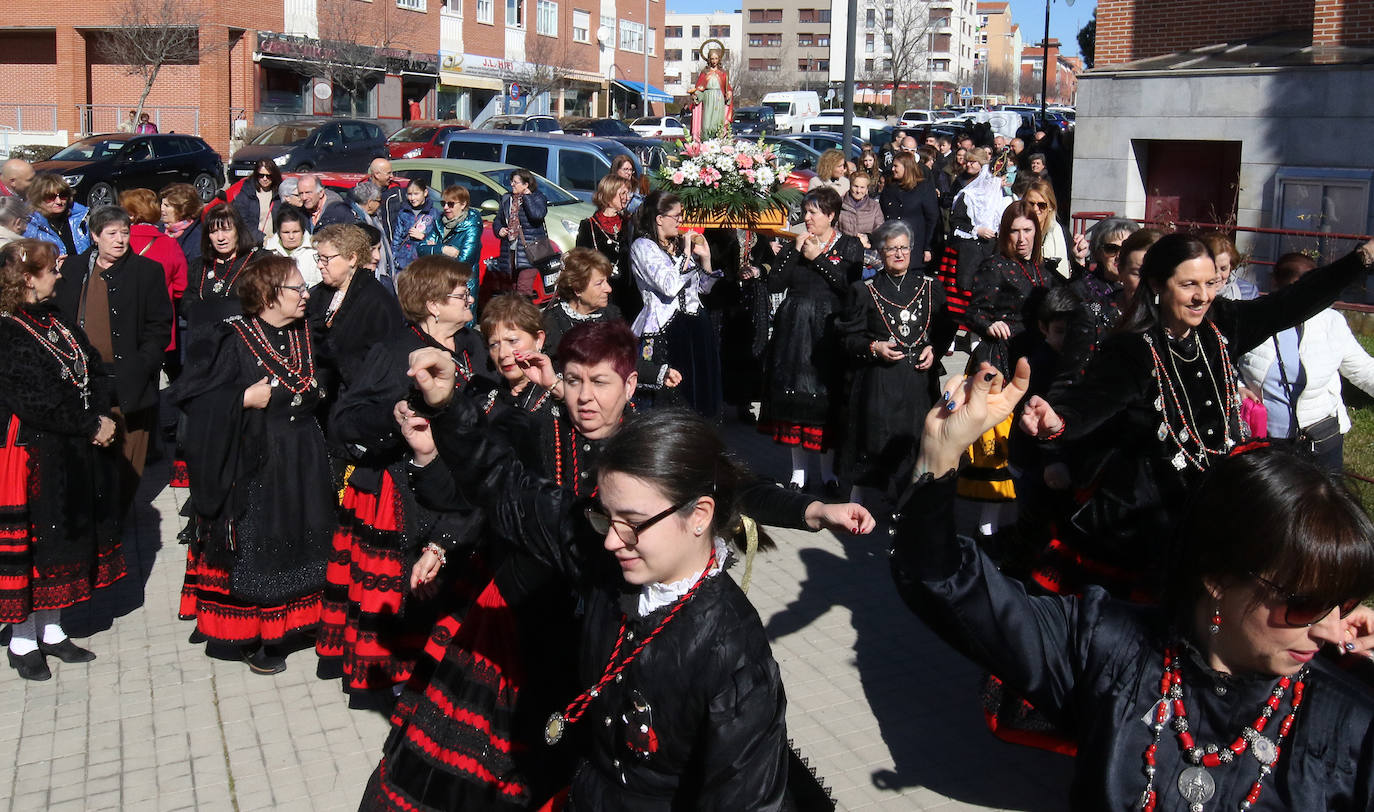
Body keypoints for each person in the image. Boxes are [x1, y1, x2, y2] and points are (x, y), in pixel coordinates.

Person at [381, 330, 874, 810]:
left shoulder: (732, 650)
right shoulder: (595, 545)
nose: (612, 539)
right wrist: (449, 406)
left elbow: (741, 794)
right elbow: (503, 484)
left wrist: (811, 511)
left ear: (699, 515)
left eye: (633, 523)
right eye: (605, 516)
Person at [893, 359, 1374, 812]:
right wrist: (939, 457)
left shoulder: (1348, 717)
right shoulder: (1107, 645)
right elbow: (947, 585)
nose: (1332, 630)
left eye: (1344, 601)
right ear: (1218, 578)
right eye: (1305, 603)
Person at [1021, 234, 1374, 595]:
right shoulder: (1132, 350)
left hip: (1218, 496)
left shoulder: (1222, 324)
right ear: (1157, 284)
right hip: (1151, 511)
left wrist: (1360, 259)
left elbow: (1293, 301)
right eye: (1188, 284)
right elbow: (1093, 403)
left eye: (1209, 283)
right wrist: (1057, 421)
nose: (1202, 296)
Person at [317, 255, 490, 695]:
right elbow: (345, 421)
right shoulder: (395, 350)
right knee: (408, 584)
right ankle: (395, 676)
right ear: (432, 305)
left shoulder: (472, 343)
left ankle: (438, 674)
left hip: (466, 483)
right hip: (401, 487)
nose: (469, 297)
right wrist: (395, 419)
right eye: (459, 293)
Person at [171, 255, 333, 675]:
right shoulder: (231, 339)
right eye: (297, 289)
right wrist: (241, 400)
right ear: (267, 294)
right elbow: (189, 398)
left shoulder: (306, 332)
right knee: (264, 545)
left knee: (308, 537)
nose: (306, 295)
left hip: (305, 454)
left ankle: (302, 624)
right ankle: (259, 636)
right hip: (258, 461)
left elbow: (328, 375)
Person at [0, 240, 123, 680]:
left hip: (70, 447)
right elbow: (34, 398)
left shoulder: (53, 318)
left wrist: (104, 412)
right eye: (51, 269)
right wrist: (90, 424)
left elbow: (89, 362)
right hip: (32, 454)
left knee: (60, 542)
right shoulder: (7, 331)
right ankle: (22, 639)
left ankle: (51, 630)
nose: (59, 275)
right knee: (35, 542)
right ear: (26, 279)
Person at [52, 206, 173, 510]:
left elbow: (159, 325)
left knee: (128, 456)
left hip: (129, 379)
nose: (120, 240)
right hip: (83, 380)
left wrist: (145, 362)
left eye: (124, 233)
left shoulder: (147, 271)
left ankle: (118, 518)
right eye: (112, 234)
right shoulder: (73, 269)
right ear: (94, 236)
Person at [836, 220, 954, 503]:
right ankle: (859, 504)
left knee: (916, 442)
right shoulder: (864, 290)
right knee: (875, 442)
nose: (899, 254)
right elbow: (847, 338)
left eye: (904, 248)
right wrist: (874, 346)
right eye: (892, 249)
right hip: (880, 381)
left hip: (917, 379)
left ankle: (910, 502)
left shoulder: (930, 287)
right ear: (880, 252)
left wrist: (934, 349)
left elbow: (945, 327)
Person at [760, 188, 863, 495]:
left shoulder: (850, 245)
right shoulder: (797, 244)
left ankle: (828, 474)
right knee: (795, 399)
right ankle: (798, 474)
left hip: (829, 330)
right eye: (805, 212)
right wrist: (793, 252)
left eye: (813, 212)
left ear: (831, 215)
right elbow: (774, 283)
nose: (806, 218)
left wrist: (818, 259)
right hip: (795, 330)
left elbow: (849, 288)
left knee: (825, 401)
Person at [1238, 251, 1374, 472]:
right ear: (1275, 283)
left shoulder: (1332, 323)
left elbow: (1363, 370)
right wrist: (1239, 388)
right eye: (1292, 290)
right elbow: (1224, 365)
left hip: (1321, 442)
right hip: (1265, 442)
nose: (1299, 300)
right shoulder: (1251, 319)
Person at [630, 190, 722, 416]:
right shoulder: (643, 247)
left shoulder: (678, 246)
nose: (681, 221)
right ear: (659, 219)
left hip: (695, 327)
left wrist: (706, 257)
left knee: (699, 399)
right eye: (677, 216)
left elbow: (704, 288)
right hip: (665, 331)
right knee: (669, 401)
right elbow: (668, 286)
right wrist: (687, 254)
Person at [307, 223, 404, 397]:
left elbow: (384, 359)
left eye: (326, 259)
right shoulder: (318, 294)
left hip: (357, 396)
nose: (320, 266)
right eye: (318, 258)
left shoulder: (377, 301)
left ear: (351, 258)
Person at [1052, 217, 1141, 386]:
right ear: (1099, 252)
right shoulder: (1080, 289)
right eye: (1111, 249)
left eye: (1127, 249)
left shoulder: (1142, 291)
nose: (1119, 256)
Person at [120, 189, 188, 366]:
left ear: (131, 215)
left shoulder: (119, 243)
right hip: (159, 322)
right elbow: (182, 286)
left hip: (124, 318)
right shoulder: (169, 243)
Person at [182, 205, 265, 340]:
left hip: (244, 340)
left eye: (226, 230)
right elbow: (187, 305)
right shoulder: (199, 266)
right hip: (206, 342)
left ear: (238, 230)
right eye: (214, 232)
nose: (220, 237)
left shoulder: (257, 261)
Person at [541, 247, 629, 360]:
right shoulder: (552, 322)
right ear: (577, 288)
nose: (608, 289)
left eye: (606, 281)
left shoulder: (612, 315)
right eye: (599, 284)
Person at [575, 174, 639, 318]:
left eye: (627, 193)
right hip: (603, 296)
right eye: (622, 193)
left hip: (628, 295)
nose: (627, 197)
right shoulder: (589, 226)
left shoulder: (629, 223)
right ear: (609, 194)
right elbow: (582, 263)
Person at [947, 148, 1010, 292]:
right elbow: (956, 224)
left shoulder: (1003, 200)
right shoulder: (968, 197)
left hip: (994, 254)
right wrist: (976, 230)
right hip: (970, 254)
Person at [417, 185, 482, 310]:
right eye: (443, 203)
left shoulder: (472, 226)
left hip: (461, 286)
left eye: (451, 204)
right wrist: (443, 249)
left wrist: (434, 251)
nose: (446, 208)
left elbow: (464, 261)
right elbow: (420, 249)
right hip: (438, 284)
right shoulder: (440, 222)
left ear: (463, 205)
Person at [492, 169, 550, 300]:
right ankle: (513, 317)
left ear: (526, 184)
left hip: (529, 251)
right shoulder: (507, 198)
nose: (512, 184)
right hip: (510, 250)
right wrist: (499, 229)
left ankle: (525, 317)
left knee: (524, 289)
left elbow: (537, 215)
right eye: (511, 182)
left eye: (516, 182)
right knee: (511, 289)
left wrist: (527, 197)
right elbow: (498, 220)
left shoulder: (538, 197)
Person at [877, 153, 937, 271]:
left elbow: (932, 218)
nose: (892, 169)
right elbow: (882, 212)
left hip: (915, 245)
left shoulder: (923, 187)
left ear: (906, 167)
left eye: (896, 166)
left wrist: (927, 247)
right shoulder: (890, 187)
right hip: (892, 244)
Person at [24, 174, 89, 260]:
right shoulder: (29, 227)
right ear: (38, 199)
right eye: (50, 197)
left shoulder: (81, 219)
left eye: (63, 195)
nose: (58, 201)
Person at [1019, 178, 1073, 279]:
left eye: (1041, 205)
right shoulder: (1016, 231)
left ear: (1050, 207)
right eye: (1031, 204)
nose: (1035, 209)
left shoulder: (1062, 233)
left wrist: (1080, 258)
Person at [262, 205, 321, 287]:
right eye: (286, 232)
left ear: (303, 231)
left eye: (295, 232)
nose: (291, 237)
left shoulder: (316, 251)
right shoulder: (268, 253)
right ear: (279, 233)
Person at [688, 42, 733, 139]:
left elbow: (727, 88)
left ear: (719, 59)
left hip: (719, 98)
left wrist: (729, 93)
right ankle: (705, 142)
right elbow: (700, 88)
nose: (714, 61)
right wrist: (695, 95)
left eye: (716, 58)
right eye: (712, 58)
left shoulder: (723, 73)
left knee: (718, 124)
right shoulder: (705, 73)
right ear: (709, 59)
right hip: (708, 98)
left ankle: (719, 142)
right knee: (706, 124)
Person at [160, 182, 205, 278]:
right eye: (162, 204)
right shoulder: (162, 229)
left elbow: (195, 274)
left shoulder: (197, 237)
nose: (162, 209)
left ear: (182, 209)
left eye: (167, 206)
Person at [392, 177, 436, 273]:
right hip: (403, 263)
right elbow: (397, 238)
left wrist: (424, 237)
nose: (412, 198)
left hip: (424, 263)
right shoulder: (403, 213)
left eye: (416, 194)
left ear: (425, 193)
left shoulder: (434, 214)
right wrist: (393, 257)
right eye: (409, 194)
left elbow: (438, 239)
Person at [232, 159, 282, 243]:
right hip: (253, 242)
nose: (265, 179)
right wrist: (262, 238)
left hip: (275, 242)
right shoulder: (246, 193)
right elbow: (243, 222)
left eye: (268, 176)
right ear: (256, 175)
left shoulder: (279, 194)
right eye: (261, 175)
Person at [1201, 231, 1259, 300]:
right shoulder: (1189, 293)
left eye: (1223, 268)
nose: (1217, 275)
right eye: (1212, 268)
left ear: (1231, 266)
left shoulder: (1248, 293)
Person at [837, 172, 883, 249]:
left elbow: (880, 230)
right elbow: (833, 228)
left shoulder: (874, 207)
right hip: (843, 248)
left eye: (862, 187)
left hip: (866, 249)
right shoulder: (839, 204)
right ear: (850, 185)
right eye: (855, 186)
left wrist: (867, 239)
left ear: (867, 188)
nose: (858, 191)